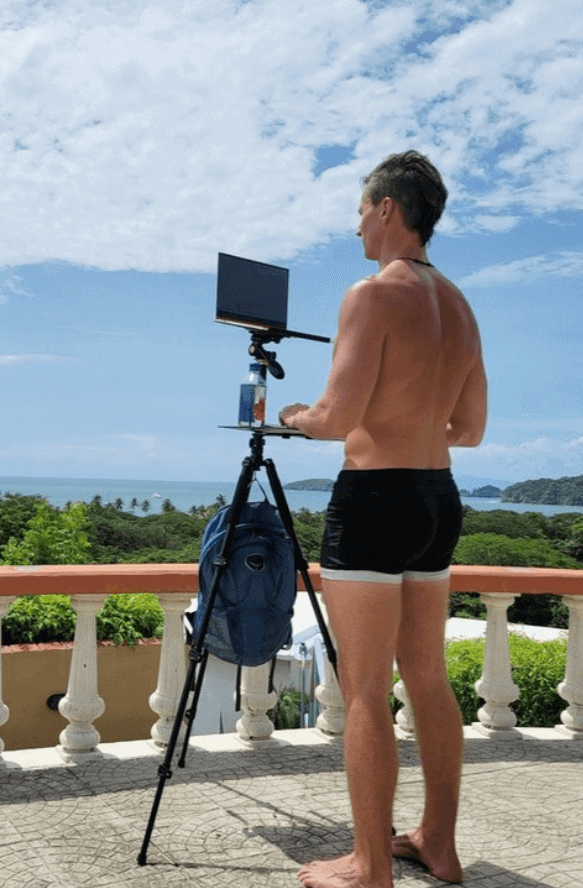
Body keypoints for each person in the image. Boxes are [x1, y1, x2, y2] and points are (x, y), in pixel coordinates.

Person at [279, 151, 487, 888]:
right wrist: (414, 416)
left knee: (365, 688)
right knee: (426, 678)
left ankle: (370, 866)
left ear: (389, 208)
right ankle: (437, 841)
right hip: (438, 497)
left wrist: (296, 417)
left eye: (363, 210)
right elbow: (471, 427)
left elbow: (338, 419)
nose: (358, 225)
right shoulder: (460, 305)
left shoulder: (370, 296)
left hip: (375, 499)